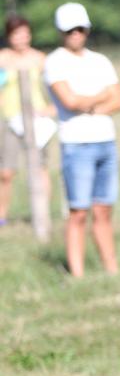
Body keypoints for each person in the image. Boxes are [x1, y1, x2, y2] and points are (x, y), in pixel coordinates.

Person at [44, 2, 120, 277]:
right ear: (61, 32)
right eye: (69, 30)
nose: (76, 34)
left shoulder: (100, 60)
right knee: (78, 211)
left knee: (103, 210)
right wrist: (100, 97)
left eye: (80, 29)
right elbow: (69, 100)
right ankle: (76, 273)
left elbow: (119, 99)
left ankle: (111, 268)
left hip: (106, 142)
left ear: (87, 29)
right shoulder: (55, 61)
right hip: (77, 144)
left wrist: (87, 103)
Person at [0, 16, 55, 227]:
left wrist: (50, 109)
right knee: (6, 171)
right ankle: (2, 216)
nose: (22, 38)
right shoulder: (3, 58)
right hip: (9, 119)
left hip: (37, 120)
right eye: (17, 34)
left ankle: (42, 215)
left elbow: (52, 90)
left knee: (40, 168)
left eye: (25, 33)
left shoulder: (40, 59)